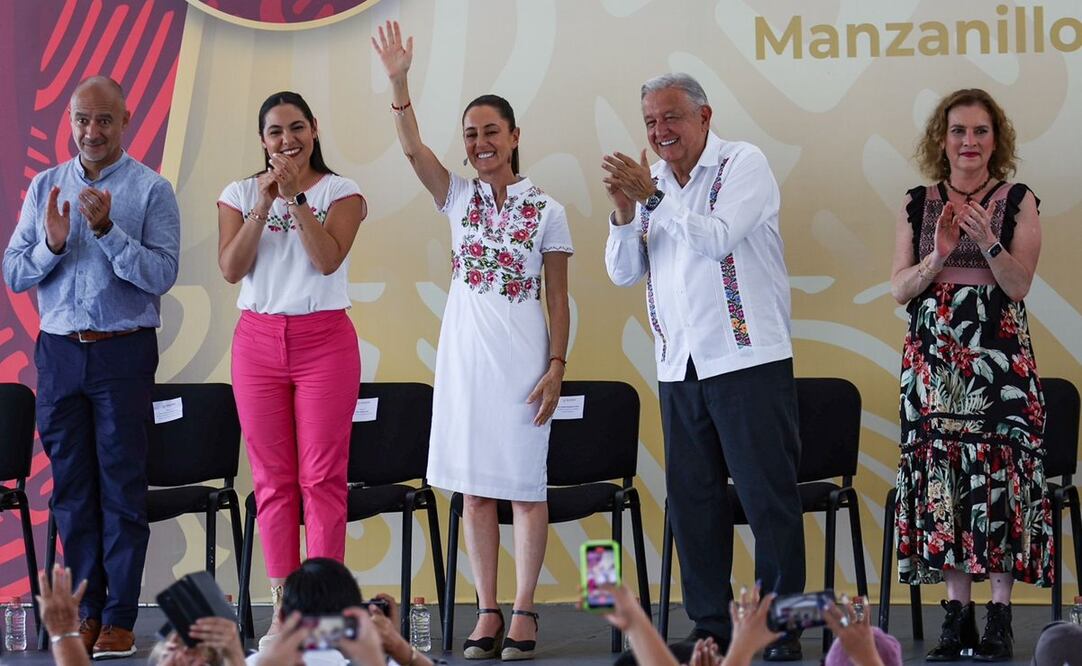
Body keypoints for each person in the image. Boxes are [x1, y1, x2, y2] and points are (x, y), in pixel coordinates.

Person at [372, 21, 572, 661]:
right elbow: (411, 149)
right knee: (476, 491)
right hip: (465, 359)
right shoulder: (456, 198)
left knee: (525, 487)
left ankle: (524, 611)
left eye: (492, 131)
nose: (481, 142)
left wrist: (557, 366)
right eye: (471, 135)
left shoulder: (548, 209)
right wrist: (399, 82)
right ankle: (486, 610)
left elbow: (559, 297)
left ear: (515, 138)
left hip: (523, 361)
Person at [602, 72, 804, 661]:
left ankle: (779, 627)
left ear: (704, 117)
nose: (660, 131)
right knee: (694, 503)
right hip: (678, 365)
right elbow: (622, 272)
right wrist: (622, 213)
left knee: (769, 500)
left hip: (748, 359)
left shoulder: (744, 164)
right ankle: (711, 625)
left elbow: (716, 239)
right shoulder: (651, 183)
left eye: (671, 118)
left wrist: (652, 200)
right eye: (650, 122)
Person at [3, 75, 181, 659]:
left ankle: (121, 618)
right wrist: (52, 245)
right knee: (73, 492)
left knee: (123, 489)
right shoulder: (44, 187)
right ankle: (84, 611)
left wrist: (105, 229)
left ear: (126, 120)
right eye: (82, 119)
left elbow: (161, 276)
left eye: (104, 120)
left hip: (122, 351)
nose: (91, 131)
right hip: (58, 352)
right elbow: (14, 273)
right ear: (71, 122)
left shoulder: (152, 190)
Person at [889, 88, 1052, 662]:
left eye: (981, 131)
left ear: (995, 141)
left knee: (999, 479)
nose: (969, 142)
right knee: (946, 482)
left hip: (998, 362)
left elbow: (1017, 286)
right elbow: (900, 289)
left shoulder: (1018, 199)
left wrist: (985, 239)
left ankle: (999, 619)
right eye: (959, 130)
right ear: (943, 138)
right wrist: (939, 255)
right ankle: (955, 618)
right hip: (934, 364)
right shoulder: (918, 201)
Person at [216, 91, 366, 649]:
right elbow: (232, 269)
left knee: (322, 479)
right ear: (263, 140)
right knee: (273, 482)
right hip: (256, 343)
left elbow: (327, 259)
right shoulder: (237, 193)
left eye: (297, 128)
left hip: (324, 340)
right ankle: (285, 615)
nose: (287, 141)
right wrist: (263, 202)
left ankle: (323, 617)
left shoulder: (341, 191)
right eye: (276, 132)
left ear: (315, 129)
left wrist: (296, 197)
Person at [245, 558, 433, 666]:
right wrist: (398, 648)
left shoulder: (253, 662)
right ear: (353, 618)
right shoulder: (377, 661)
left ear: (282, 618)